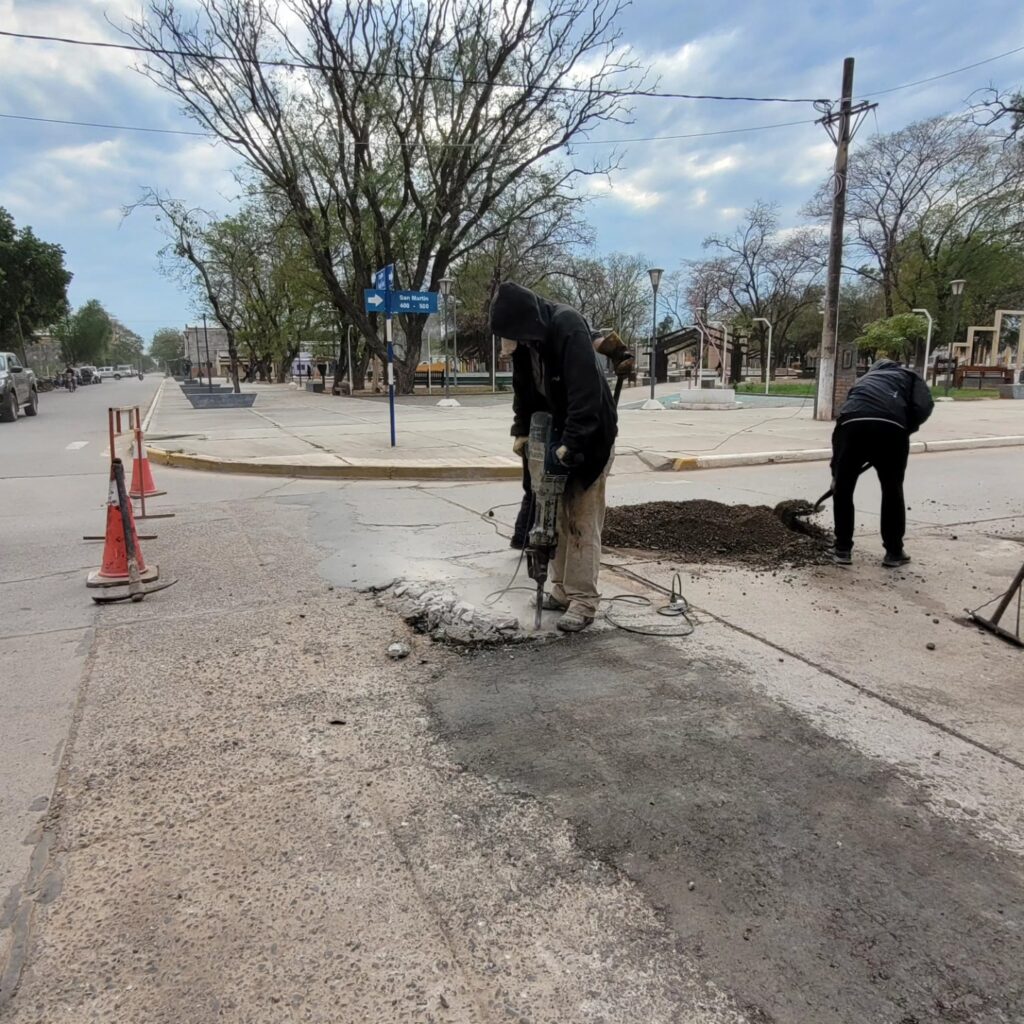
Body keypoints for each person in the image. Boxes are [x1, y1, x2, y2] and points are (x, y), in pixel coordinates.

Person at [490, 281, 617, 633]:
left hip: (588, 435)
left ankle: (584, 600)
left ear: (527, 322)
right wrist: (521, 430)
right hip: (555, 432)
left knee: (580, 517)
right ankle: (560, 591)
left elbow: (586, 394)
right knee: (554, 516)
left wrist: (572, 445)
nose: (513, 345)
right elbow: (524, 390)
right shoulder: (525, 343)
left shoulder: (567, 325)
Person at [830, 358, 934, 568]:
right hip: (891, 429)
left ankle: (842, 549)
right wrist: (904, 427)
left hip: (851, 426)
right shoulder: (910, 376)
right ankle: (894, 552)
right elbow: (924, 406)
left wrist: (836, 474)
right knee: (892, 489)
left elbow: (842, 423)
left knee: (843, 489)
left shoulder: (864, 380)